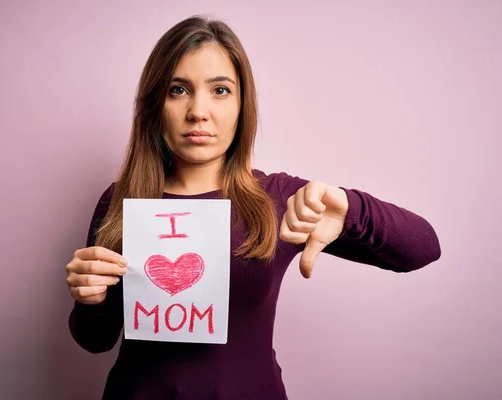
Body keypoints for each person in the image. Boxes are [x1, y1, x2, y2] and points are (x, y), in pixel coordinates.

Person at [65, 15, 441, 400]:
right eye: (178, 89)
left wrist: (350, 207)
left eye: (220, 90)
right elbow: (95, 341)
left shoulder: (279, 200)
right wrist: (89, 300)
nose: (198, 111)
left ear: (243, 104)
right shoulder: (120, 201)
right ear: (155, 103)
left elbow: (424, 248)